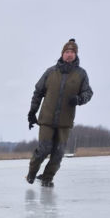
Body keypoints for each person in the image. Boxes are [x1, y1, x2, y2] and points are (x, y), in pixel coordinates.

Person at [26, 38, 93, 188]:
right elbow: (38, 92)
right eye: (67, 52)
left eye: (72, 52)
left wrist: (79, 99)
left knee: (58, 154)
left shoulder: (81, 74)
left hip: (65, 122)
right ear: (62, 54)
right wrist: (32, 112)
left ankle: (47, 178)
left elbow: (88, 93)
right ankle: (31, 173)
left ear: (76, 55)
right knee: (43, 150)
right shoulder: (50, 72)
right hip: (47, 119)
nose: (69, 54)